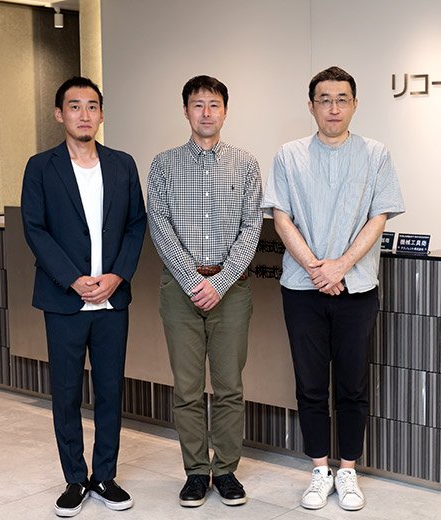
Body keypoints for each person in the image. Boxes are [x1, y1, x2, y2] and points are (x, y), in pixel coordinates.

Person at [261, 66, 405, 511]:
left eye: (342, 99)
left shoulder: (375, 154)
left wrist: (340, 266)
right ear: (311, 106)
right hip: (301, 289)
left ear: (355, 104)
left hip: (356, 288)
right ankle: (319, 469)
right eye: (324, 99)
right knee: (309, 384)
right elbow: (280, 217)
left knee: (352, 384)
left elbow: (379, 217)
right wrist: (315, 268)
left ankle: (348, 471)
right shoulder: (289, 155)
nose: (333, 108)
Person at [21, 76, 146, 517]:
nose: (84, 114)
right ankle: (75, 478)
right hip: (65, 300)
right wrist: (72, 279)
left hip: (112, 300)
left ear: (102, 114)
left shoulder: (122, 164)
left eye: (92, 106)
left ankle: (105, 476)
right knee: (67, 392)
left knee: (110, 391)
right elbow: (35, 228)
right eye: (74, 106)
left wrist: (118, 275)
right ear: (60, 114)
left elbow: (136, 224)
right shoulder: (41, 166)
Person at [147, 75, 262, 508]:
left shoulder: (246, 164)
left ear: (225, 111)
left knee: (230, 386)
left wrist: (221, 281)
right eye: (198, 105)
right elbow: (159, 225)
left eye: (214, 104)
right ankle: (196, 472)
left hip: (231, 289)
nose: (206, 112)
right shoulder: (163, 164)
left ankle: (226, 470)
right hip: (180, 289)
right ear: (186, 111)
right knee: (187, 388)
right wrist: (194, 281)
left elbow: (252, 227)